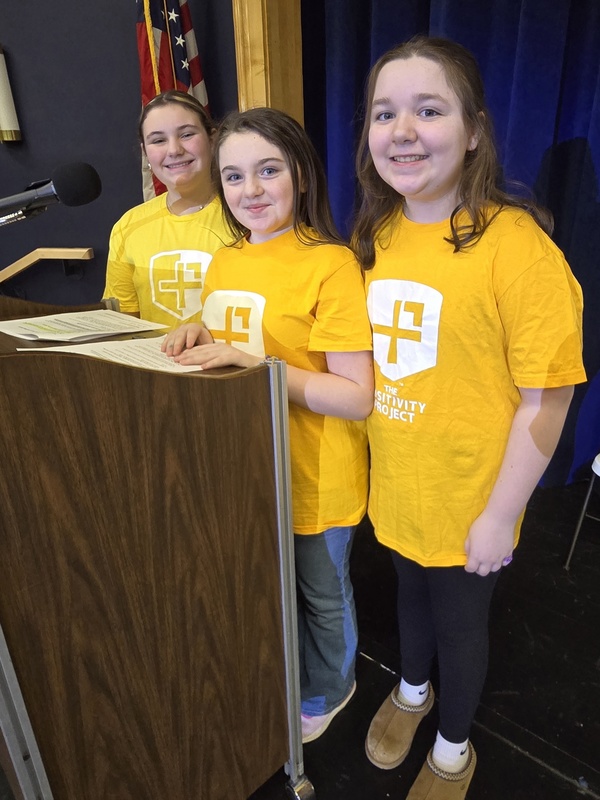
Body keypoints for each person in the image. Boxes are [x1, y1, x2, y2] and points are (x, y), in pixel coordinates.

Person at [352, 35, 586, 798]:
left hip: (473, 500)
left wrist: (500, 514)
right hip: (398, 486)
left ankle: (454, 747)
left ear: (475, 129)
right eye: (385, 112)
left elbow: (548, 397)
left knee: (459, 625)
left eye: (429, 109)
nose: (403, 130)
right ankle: (411, 693)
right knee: (407, 602)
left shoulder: (516, 248)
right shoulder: (376, 235)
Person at [162, 107, 374, 743]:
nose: (250, 190)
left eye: (268, 170)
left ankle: (333, 688)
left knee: (321, 594)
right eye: (233, 176)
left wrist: (262, 366)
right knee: (269, 588)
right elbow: (233, 330)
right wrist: (200, 326)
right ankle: (289, 676)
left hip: (316, 474)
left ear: (302, 176)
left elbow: (356, 397)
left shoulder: (330, 263)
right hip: (248, 464)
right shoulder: (226, 259)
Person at [103, 90, 232, 328]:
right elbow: (121, 325)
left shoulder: (246, 216)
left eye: (186, 134)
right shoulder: (129, 226)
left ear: (212, 140)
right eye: (158, 140)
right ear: (146, 152)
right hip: (154, 362)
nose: (174, 150)